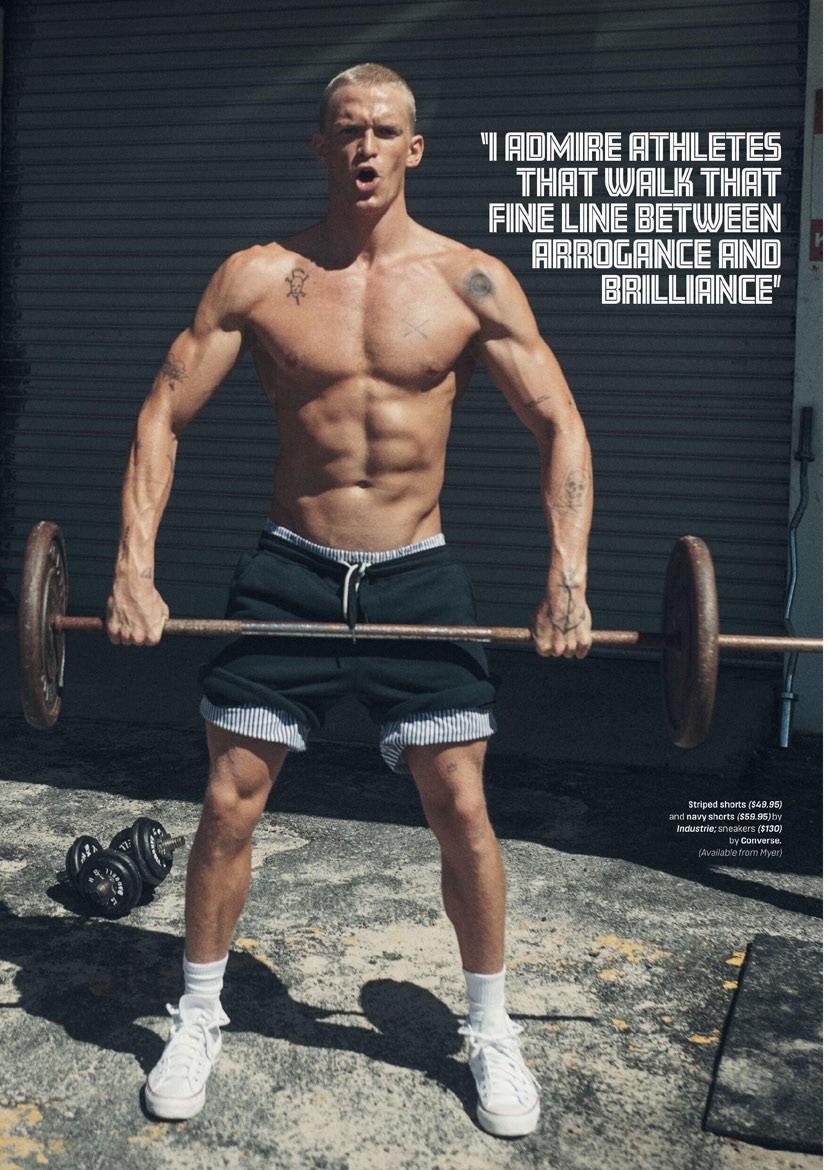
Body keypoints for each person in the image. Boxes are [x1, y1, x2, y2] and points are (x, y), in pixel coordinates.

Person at [106, 62, 593, 1138]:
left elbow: (558, 420)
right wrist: (133, 568)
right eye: (347, 129)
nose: (366, 146)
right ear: (320, 146)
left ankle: (490, 1031)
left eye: (384, 130)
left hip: (419, 573)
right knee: (230, 799)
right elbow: (161, 413)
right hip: (292, 571)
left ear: (415, 149)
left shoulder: (472, 282)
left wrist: (567, 579)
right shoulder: (259, 278)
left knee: (460, 805)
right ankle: (198, 1014)